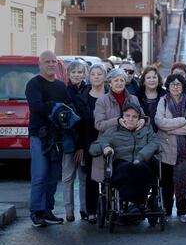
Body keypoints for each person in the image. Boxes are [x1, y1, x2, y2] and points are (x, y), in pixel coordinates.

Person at [25, 50, 71, 227]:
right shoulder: (34, 84)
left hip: (57, 137)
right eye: (47, 62)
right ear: (40, 64)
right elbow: (37, 107)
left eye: (53, 61)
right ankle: (36, 212)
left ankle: (47, 211)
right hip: (39, 136)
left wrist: (60, 110)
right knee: (40, 175)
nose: (51, 64)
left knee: (53, 177)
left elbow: (69, 107)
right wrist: (56, 107)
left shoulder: (60, 86)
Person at [89, 103, 159, 210]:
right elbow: (93, 148)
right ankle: (131, 202)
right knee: (126, 168)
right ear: (122, 116)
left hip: (142, 163)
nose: (130, 119)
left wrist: (140, 157)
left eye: (134, 117)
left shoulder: (147, 130)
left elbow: (154, 143)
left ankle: (136, 203)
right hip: (121, 163)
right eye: (127, 116)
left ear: (139, 119)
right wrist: (105, 146)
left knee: (141, 168)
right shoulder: (113, 130)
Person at [155, 74, 186, 223]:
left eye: (178, 84)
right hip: (166, 148)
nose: (175, 87)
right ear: (167, 86)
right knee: (166, 182)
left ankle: (184, 212)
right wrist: (181, 121)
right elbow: (160, 122)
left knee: (183, 180)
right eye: (172, 84)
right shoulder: (163, 101)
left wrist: (171, 129)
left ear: (183, 86)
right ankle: (166, 211)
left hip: (184, 150)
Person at [73, 64, 107, 224]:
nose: (96, 76)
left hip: (109, 141)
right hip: (88, 142)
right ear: (89, 77)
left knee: (110, 176)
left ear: (104, 77)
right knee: (91, 178)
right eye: (93, 74)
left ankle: (109, 209)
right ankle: (91, 211)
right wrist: (79, 146)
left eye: (99, 74)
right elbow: (78, 125)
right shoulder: (82, 97)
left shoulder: (110, 95)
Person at [62, 61, 88, 222]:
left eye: (80, 72)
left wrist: (82, 146)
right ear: (68, 74)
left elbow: (87, 121)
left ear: (84, 74)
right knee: (68, 177)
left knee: (84, 177)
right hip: (68, 142)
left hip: (84, 142)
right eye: (74, 72)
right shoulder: (64, 92)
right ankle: (69, 211)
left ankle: (84, 209)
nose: (77, 75)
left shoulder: (88, 90)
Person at [94, 68, 141, 134]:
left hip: (131, 139)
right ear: (110, 83)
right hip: (109, 140)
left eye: (122, 80)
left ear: (125, 83)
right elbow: (99, 125)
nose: (119, 83)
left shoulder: (134, 99)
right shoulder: (102, 101)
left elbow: (142, 116)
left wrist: (143, 120)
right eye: (116, 80)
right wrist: (117, 121)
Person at [137, 65, 166, 132]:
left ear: (158, 80)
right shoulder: (136, 96)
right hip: (141, 133)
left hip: (161, 134)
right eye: (148, 78)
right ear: (144, 81)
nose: (152, 80)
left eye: (154, 77)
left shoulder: (165, 96)